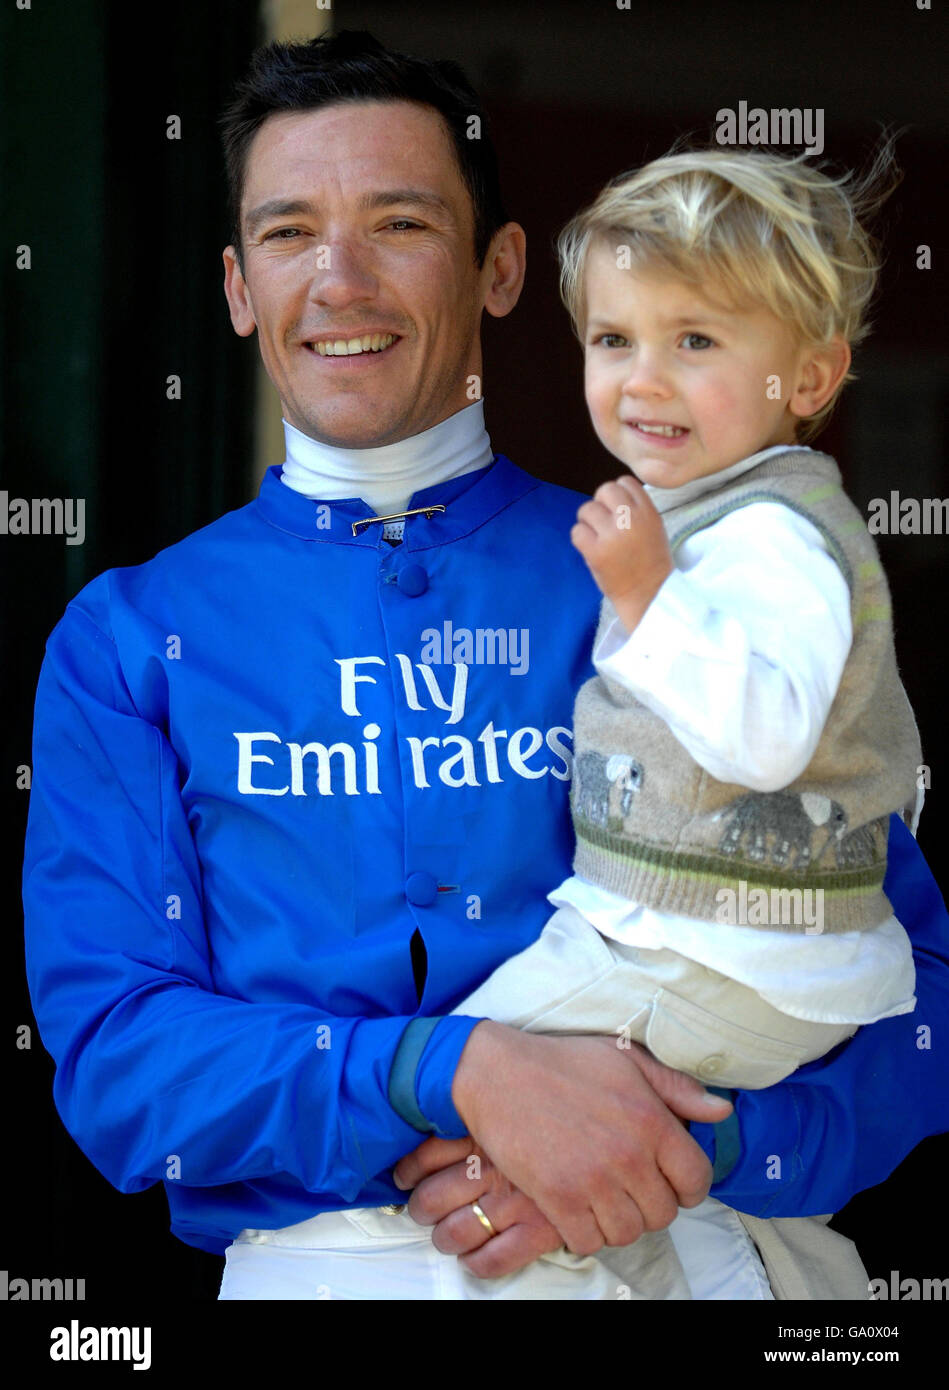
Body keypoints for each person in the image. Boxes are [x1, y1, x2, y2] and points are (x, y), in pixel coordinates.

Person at [20, 30, 949, 1301]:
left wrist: (692, 1142)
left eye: (398, 222)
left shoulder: (682, 579)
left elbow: (910, 992)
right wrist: (449, 1073)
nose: (337, 281)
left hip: (694, 1256)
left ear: (500, 267)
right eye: (289, 234)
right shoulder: (130, 637)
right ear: (238, 288)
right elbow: (122, 1056)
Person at [445, 144, 923, 1298]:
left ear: (807, 380)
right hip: (699, 943)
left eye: (695, 341)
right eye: (615, 340)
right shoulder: (705, 510)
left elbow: (761, 738)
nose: (643, 378)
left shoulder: (775, 536)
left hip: (718, 950)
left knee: (459, 1091)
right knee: (575, 1168)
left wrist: (647, 596)